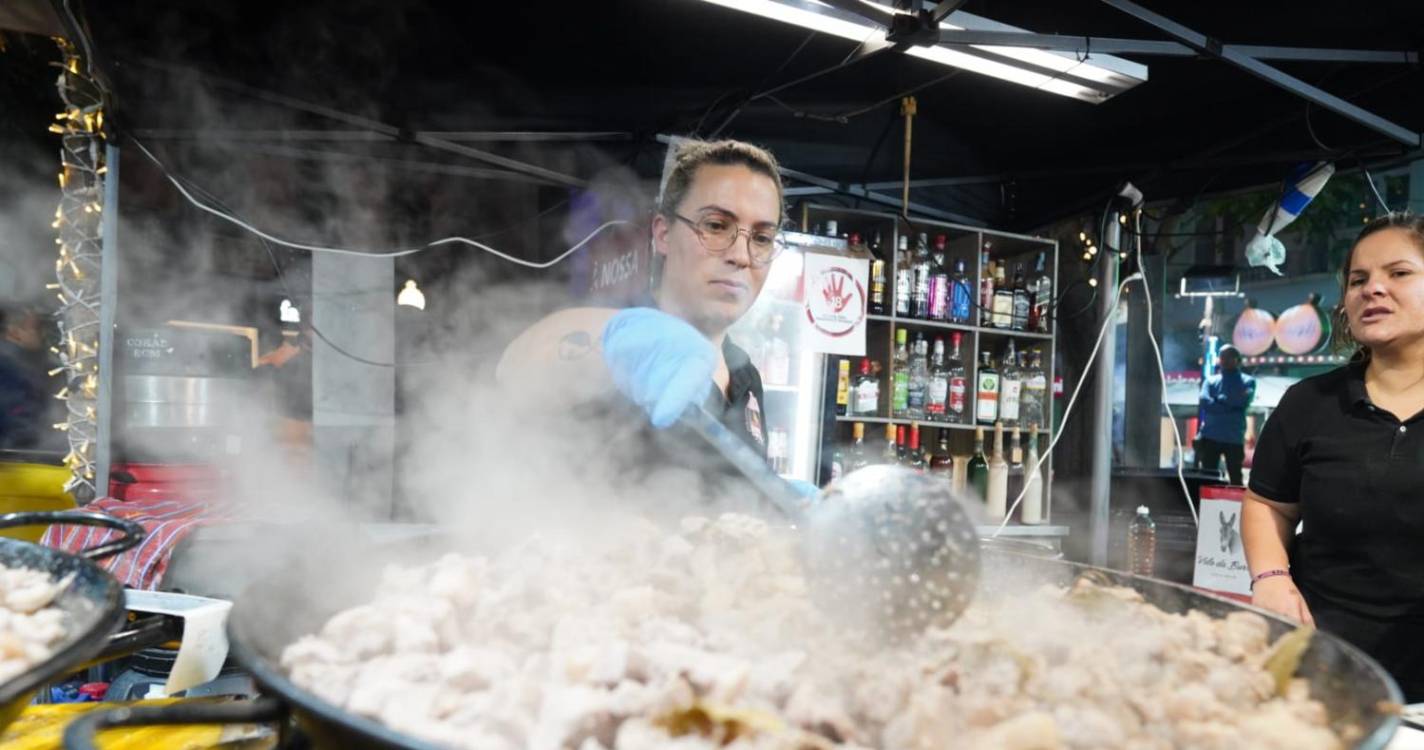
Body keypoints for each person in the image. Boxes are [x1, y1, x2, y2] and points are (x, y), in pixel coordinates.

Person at [497, 138, 804, 489]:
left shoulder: (746, 375)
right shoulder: (627, 341)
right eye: (716, 226)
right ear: (663, 234)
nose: (741, 255)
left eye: (762, 238)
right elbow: (514, 364)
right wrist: (615, 335)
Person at [1242, 213, 1424, 702]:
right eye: (1358, 279)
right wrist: (1272, 577)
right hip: (1317, 668)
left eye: (1399, 273)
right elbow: (1267, 504)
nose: (1372, 289)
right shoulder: (1310, 402)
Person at [1194, 343, 1255, 485]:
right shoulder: (1210, 381)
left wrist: (1219, 400)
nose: (1224, 360)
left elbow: (1243, 401)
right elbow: (1204, 402)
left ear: (1238, 360)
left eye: (1229, 357)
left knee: (1235, 478)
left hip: (1233, 438)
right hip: (1211, 437)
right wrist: (1230, 405)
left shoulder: (1248, 381)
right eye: (1222, 357)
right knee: (1207, 478)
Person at [0, 304, 57, 451]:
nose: (43, 335)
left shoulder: (33, 364)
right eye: (36, 329)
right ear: (15, 333)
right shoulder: (12, 369)